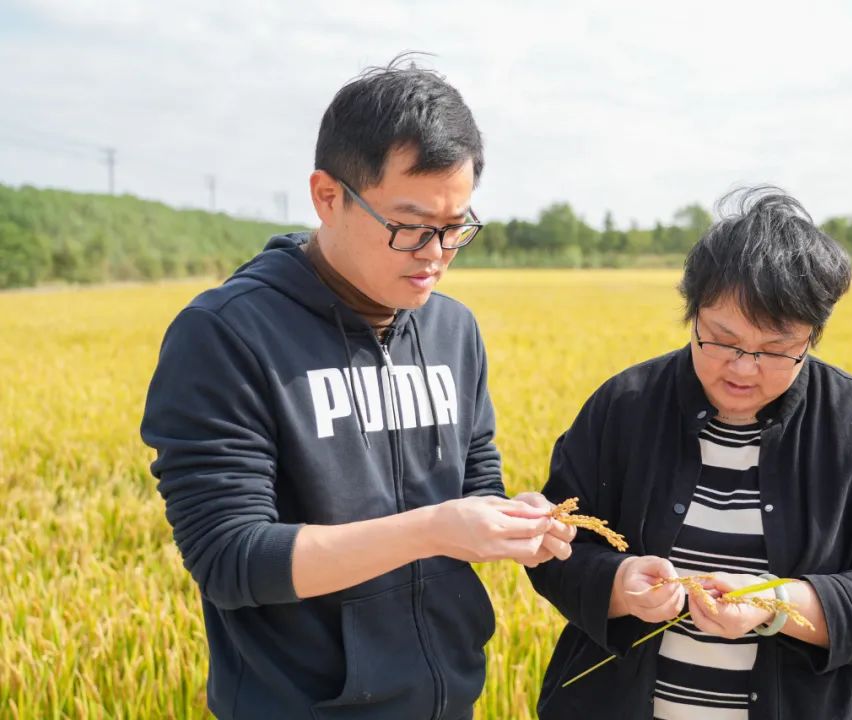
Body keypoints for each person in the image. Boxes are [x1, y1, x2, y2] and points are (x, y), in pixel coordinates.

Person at [141, 57, 573, 719]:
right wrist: (433, 530)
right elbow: (231, 559)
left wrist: (508, 519)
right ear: (327, 196)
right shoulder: (226, 335)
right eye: (409, 226)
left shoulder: (454, 329)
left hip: (448, 700)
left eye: (455, 227)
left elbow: (475, 481)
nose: (435, 253)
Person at [526, 188, 852, 719]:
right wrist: (619, 587)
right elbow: (557, 547)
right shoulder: (625, 406)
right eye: (723, 340)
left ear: (812, 336)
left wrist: (775, 605)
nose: (744, 368)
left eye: (776, 349)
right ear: (693, 315)